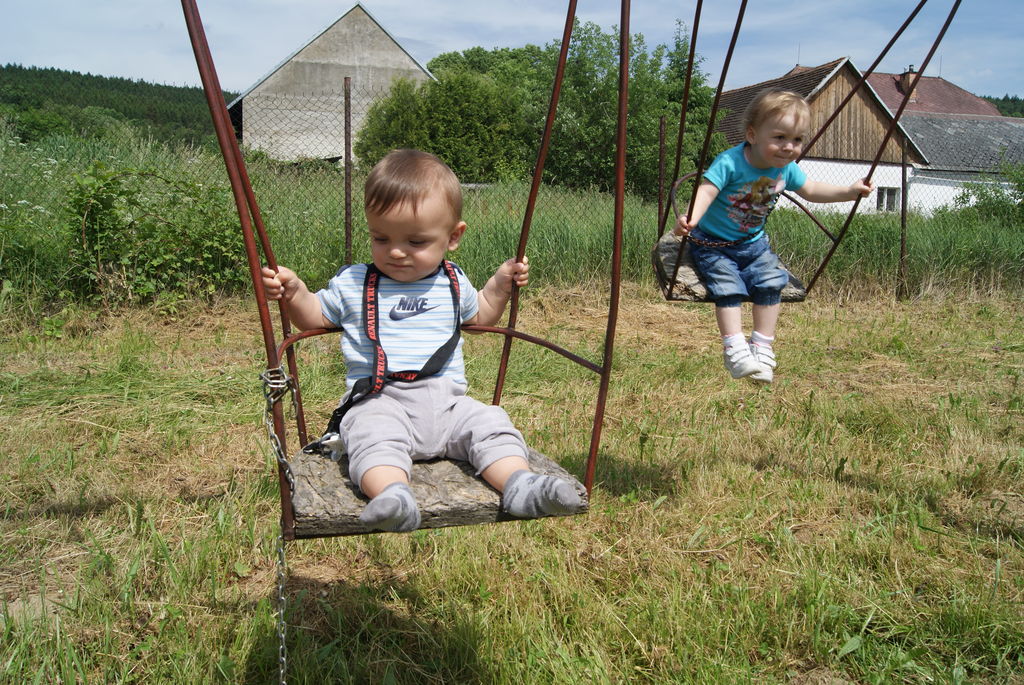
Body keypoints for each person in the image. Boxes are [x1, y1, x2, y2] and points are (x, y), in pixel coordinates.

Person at [262, 148, 583, 532]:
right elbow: (315, 315)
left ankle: (520, 484)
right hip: (381, 401)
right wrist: (295, 292)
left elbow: (481, 316)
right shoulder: (354, 282)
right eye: (381, 238)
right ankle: (393, 496)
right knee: (369, 435)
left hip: (448, 404)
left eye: (415, 242)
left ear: (453, 236)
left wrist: (499, 286)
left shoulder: (453, 281)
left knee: (490, 422)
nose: (396, 251)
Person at [674, 89, 875, 384]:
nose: (789, 147)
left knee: (771, 282)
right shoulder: (731, 162)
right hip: (714, 244)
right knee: (727, 286)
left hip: (753, 244)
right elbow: (707, 191)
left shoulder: (787, 170)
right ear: (752, 135)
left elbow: (812, 190)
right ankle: (735, 349)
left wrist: (849, 191)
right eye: (780, 137)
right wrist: (691, 218)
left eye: (797, 139)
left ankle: (761, 348)